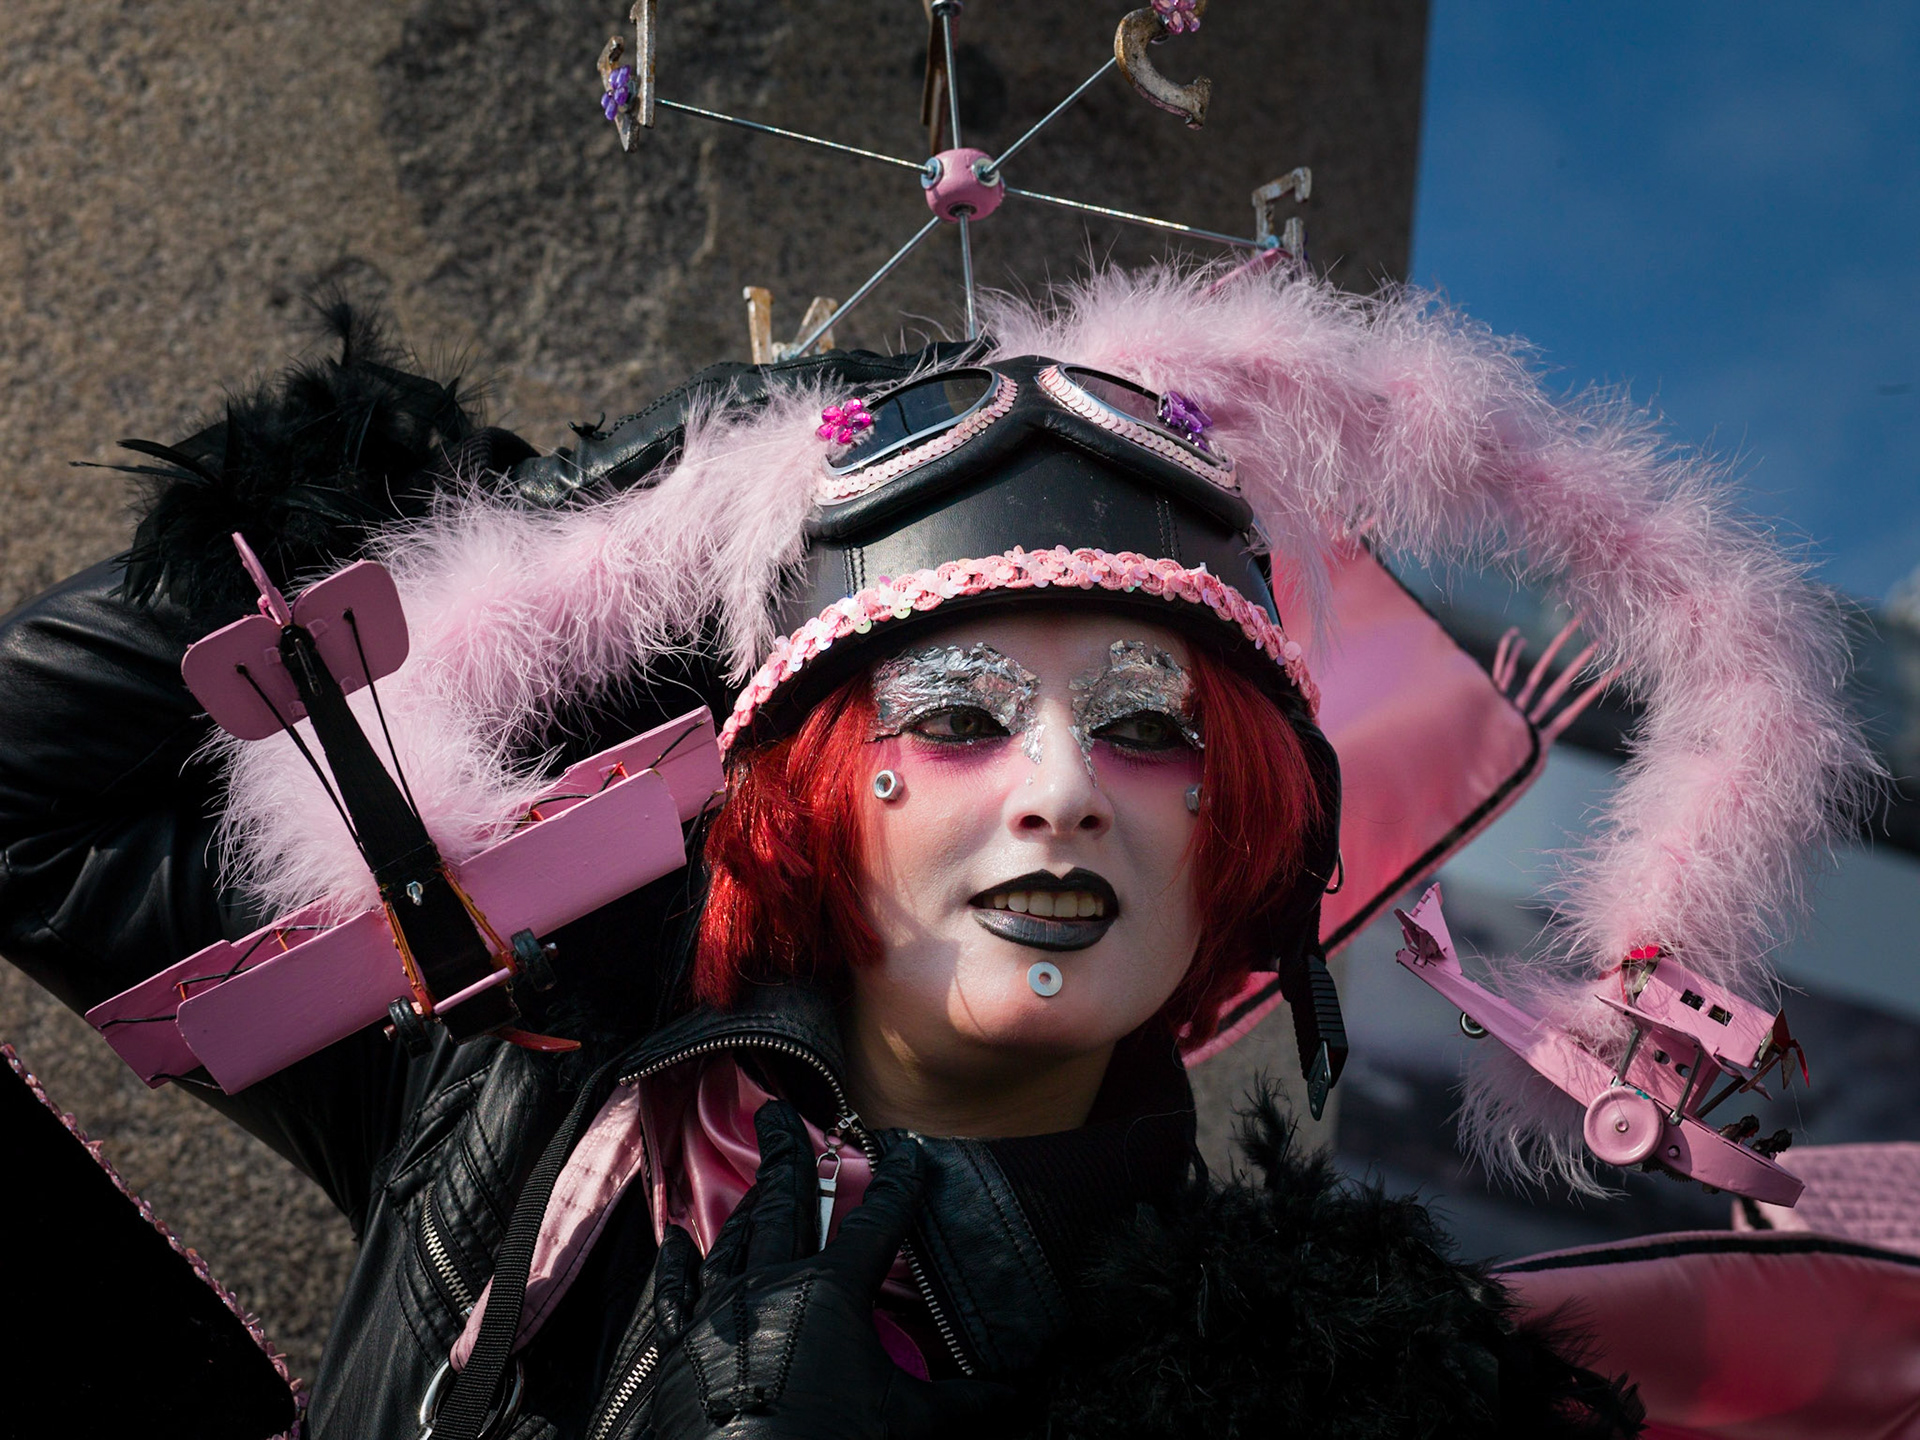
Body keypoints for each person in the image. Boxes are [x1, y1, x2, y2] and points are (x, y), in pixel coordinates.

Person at [0, 264, 1873, 1438]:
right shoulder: (519, 1084)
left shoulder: (1300, 1391)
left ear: (1239, 837)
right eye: (957, 719)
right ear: (814, 791)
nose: (1061, 794)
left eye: (1151, 730)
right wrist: (640, 523)